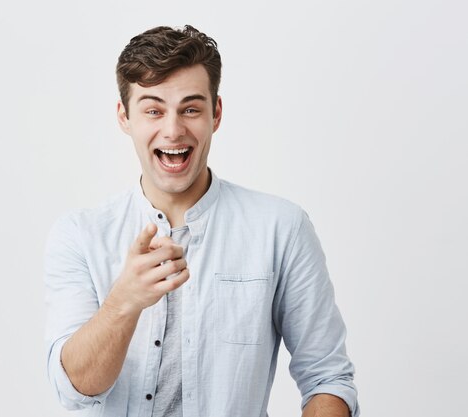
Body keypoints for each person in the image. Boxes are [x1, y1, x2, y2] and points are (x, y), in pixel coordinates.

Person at [44, 25, 359, 417]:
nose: (173, 130)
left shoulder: (282, 228)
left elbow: (327, 380)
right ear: (125, 116)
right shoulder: (79, 235)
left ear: (217, 113)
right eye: (153, 110)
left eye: (190, 108)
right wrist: (123, 302)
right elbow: (75, 390)